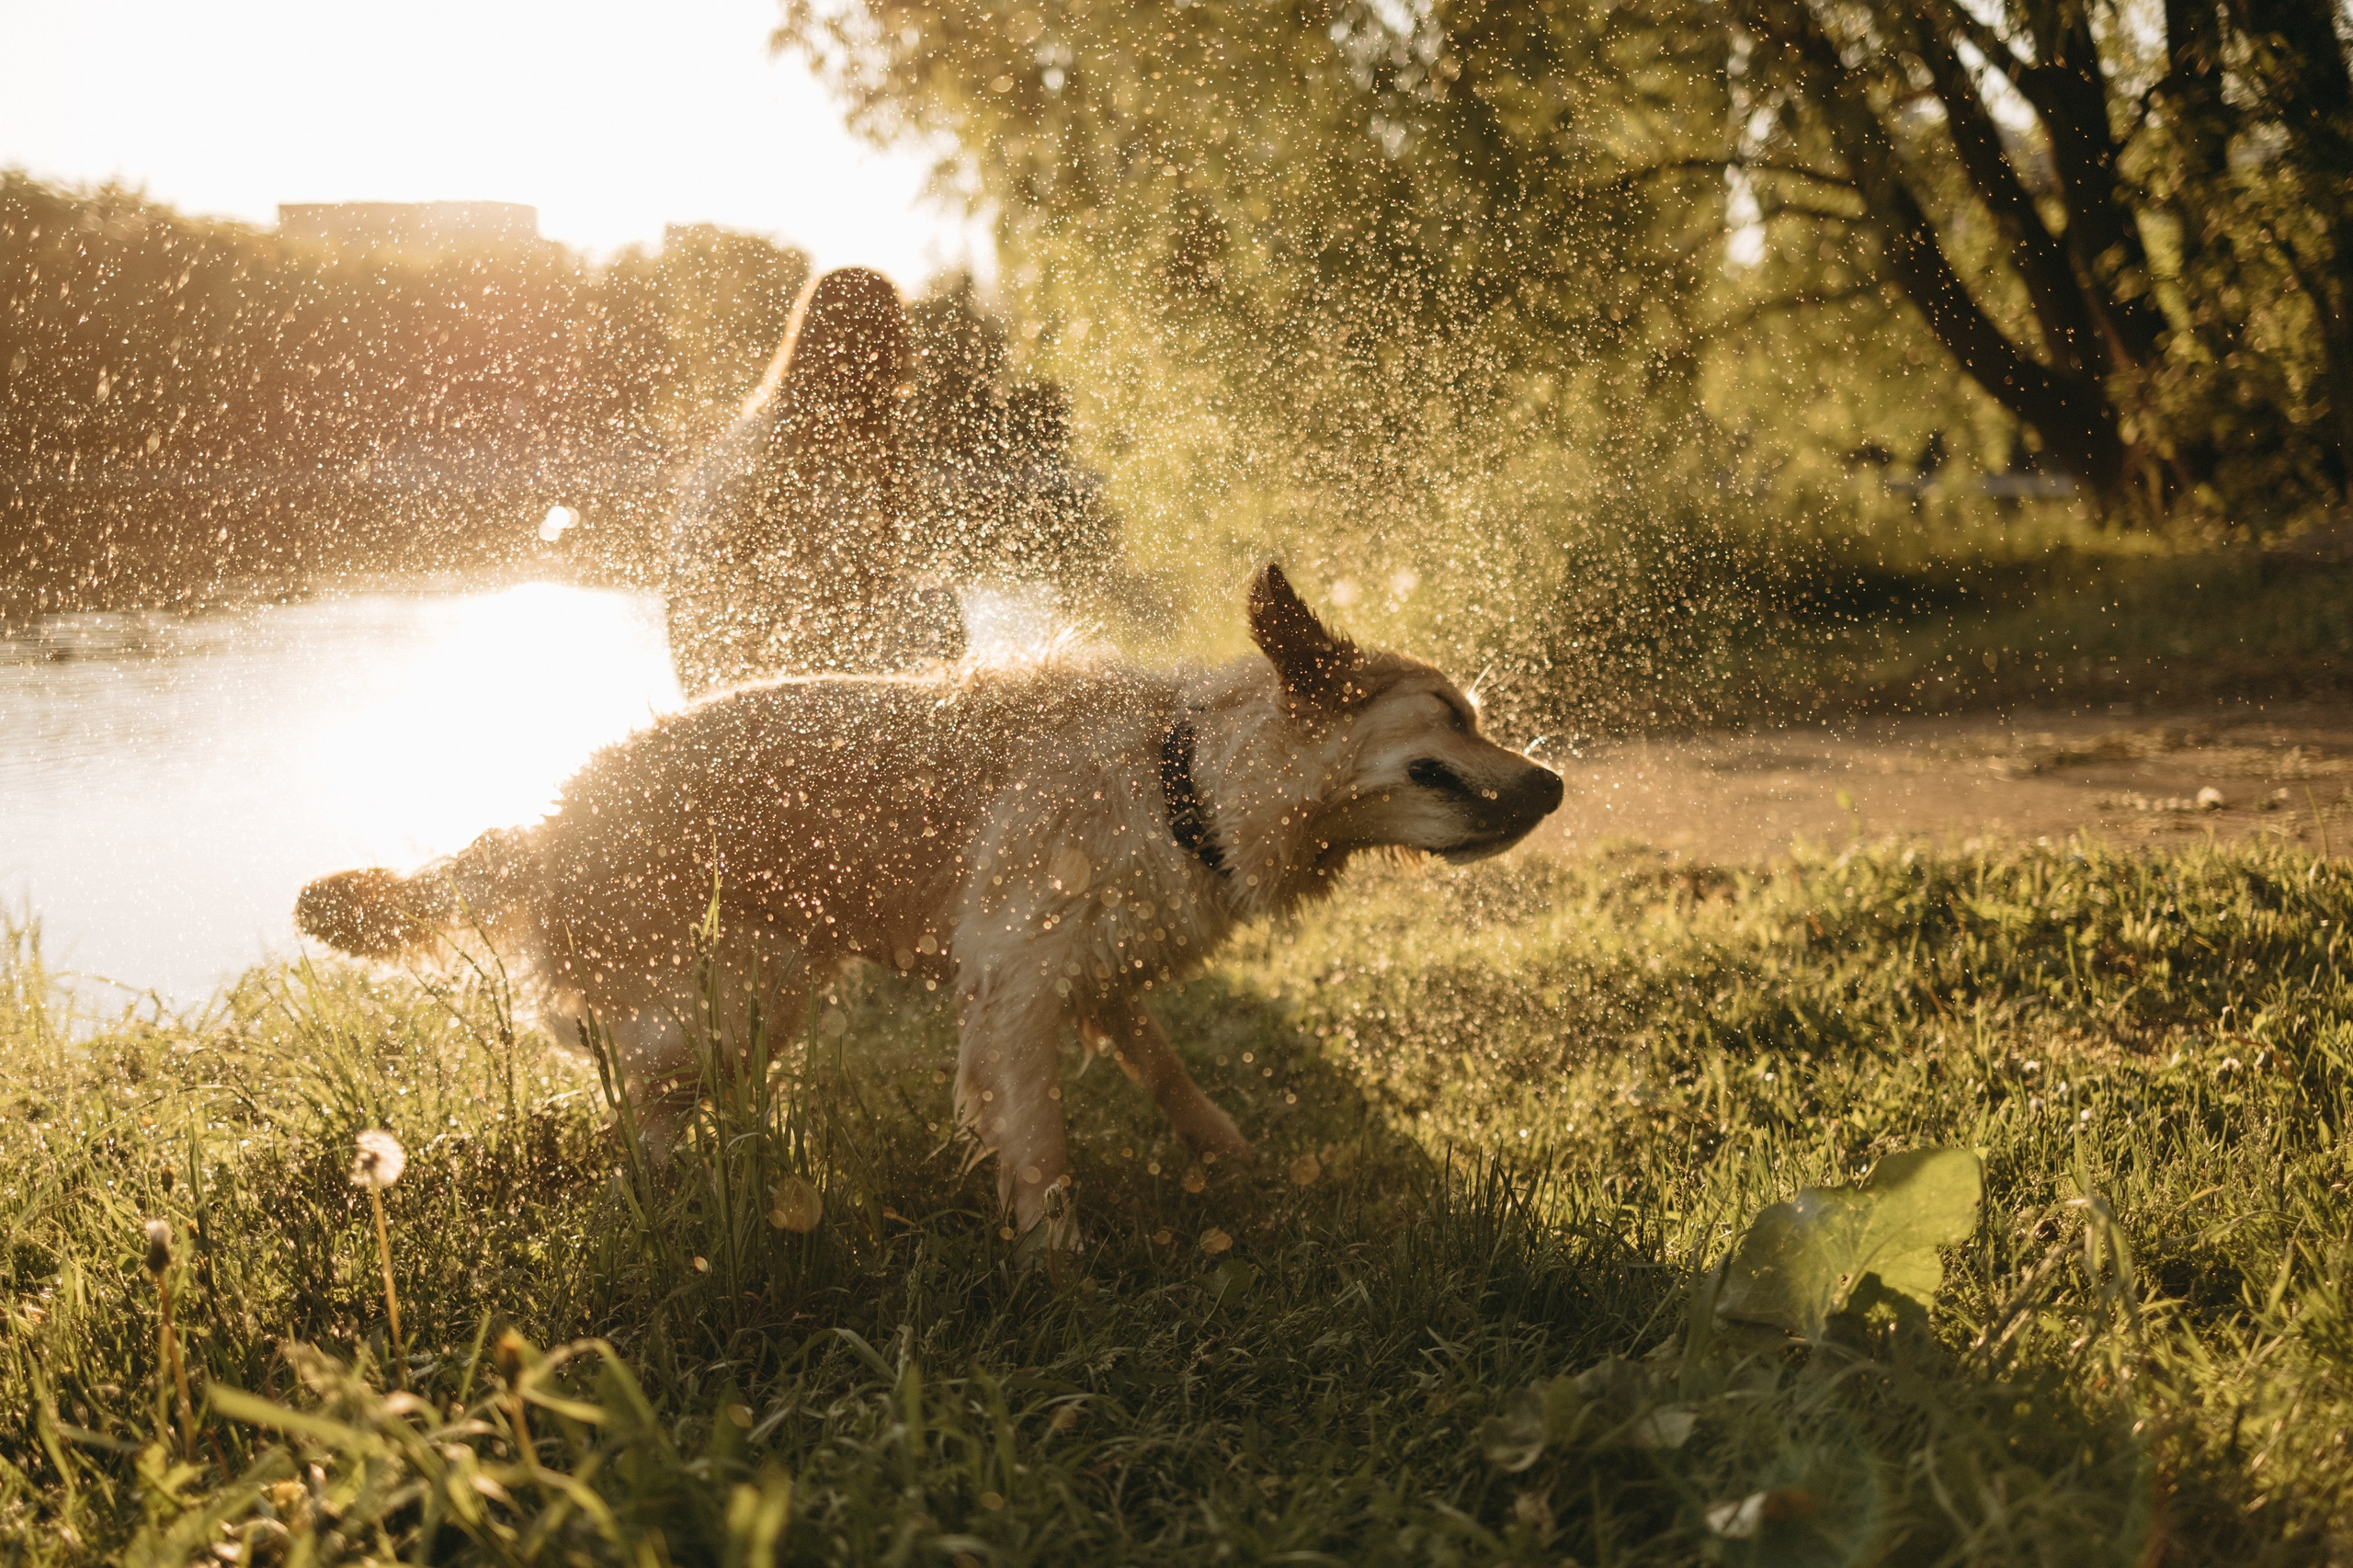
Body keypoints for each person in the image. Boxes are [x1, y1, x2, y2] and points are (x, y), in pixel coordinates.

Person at [665, 267, 964, 697]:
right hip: (770, 694)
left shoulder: (863, 453)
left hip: (813, 690)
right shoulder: (761, 453)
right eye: (895, 340)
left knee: (934, 602)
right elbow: (697, 588)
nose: (905, 359)